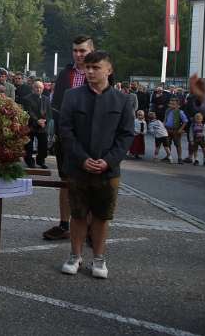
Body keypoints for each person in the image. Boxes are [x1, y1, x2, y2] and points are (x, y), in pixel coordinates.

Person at [59, 51, 132, 279]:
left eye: (96, 67)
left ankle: (99, 259)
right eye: (87, 67)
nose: (90, 71)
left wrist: (108, 161)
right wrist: (82, 159)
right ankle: (75, 255)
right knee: (78, 214)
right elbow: (65, 131)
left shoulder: (122, 100)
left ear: (108, 70)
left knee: (101, 216)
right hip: (78, 168)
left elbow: (126, 135)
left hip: (107, 171)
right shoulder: (72, 96)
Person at [42, 35, 94, 242]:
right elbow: (56, 105)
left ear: (91, 50)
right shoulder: (65, 73)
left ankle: (90, 228)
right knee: (65, 182)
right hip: (66, 137)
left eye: (83, 51)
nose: (79, 54)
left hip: (90, 138)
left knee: (91, 184)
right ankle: (64, 224)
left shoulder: (100, 72)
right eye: (75, 50)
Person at [23, 81, 51, 169]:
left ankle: (41, 161)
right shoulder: (27, 99)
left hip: (42, 126)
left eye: (40, 88)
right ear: (33, 88)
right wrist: (37, 121)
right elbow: (28, 112)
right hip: (31, 125)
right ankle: (30, 161)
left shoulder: (46, 99)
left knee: (43, 145)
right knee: (29, 146)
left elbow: (49, 113)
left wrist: (44, 121)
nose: (38, 89)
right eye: (36, 87)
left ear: (43, 89)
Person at [163, 98, 188, 164]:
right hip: (168, 129)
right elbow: (165, 119)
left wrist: (181, 129)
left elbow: (185, 121)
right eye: (170, 104)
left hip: (176, 130)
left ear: (177, 105)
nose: (171, 105)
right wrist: (163, 125)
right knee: (167, 143)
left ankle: (179, 158)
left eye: (173, 104)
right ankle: (168, 156)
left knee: (177, 144)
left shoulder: (180, 112)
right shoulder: (167, 110)